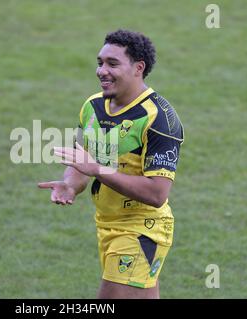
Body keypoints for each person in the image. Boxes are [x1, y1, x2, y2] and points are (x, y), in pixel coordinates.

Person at [38, 29, 184, 299]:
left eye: (112, 64)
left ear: (138, 68)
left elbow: (157, 193)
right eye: (100, 62)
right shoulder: (93, 107)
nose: (101, 71)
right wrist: (70, 184)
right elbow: (83, 161)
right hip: (106, 224)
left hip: (142, 229)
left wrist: (97, 170)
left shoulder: (160, 118)